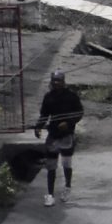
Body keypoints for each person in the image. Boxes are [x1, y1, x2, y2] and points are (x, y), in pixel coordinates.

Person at [35, 71, 84, 205]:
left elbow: (79, 113)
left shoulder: (71, 96)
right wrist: (38, 126)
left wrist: (68, 123)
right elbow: (44, 114)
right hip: (53, 134)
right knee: (51, 165)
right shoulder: (48, 97)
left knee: (66, 163)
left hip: (67, 134)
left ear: (63, 82)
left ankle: (67, 188)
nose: (56, 83)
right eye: (54, 81)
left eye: (59, 81)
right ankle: (50, 194)